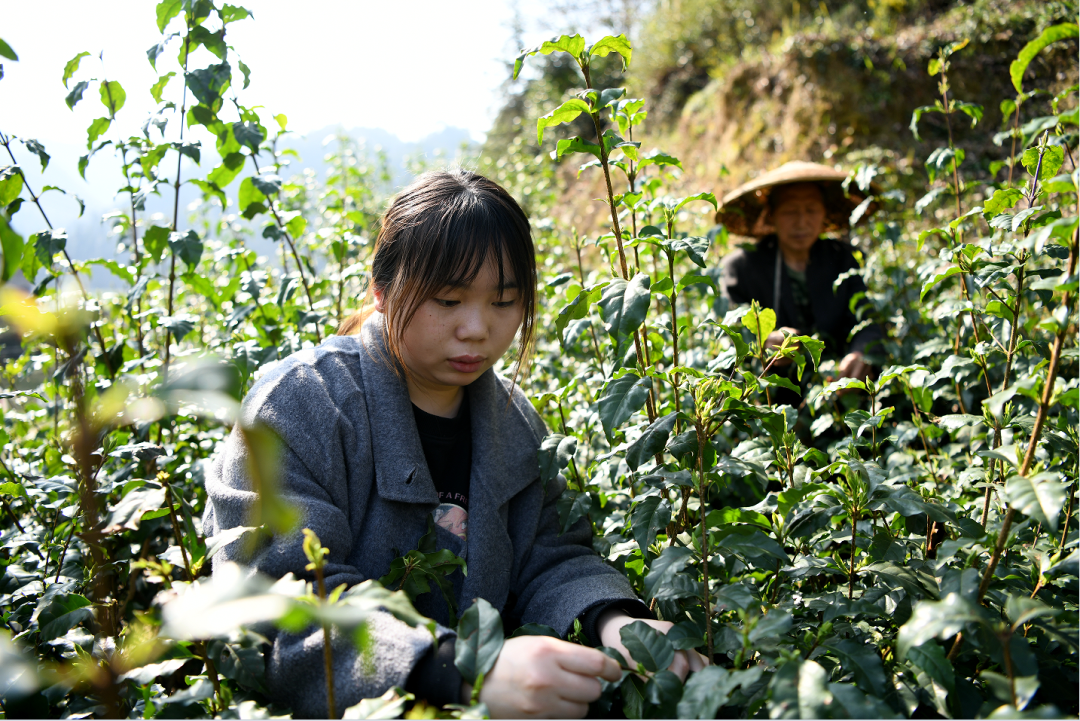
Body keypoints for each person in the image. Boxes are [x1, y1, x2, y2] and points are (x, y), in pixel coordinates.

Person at [203, 170, 705, 718]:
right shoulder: (300, 406)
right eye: (447, 299)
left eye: (504, 301)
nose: (477, 328)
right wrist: (459, 671)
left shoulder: (517, 425)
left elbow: (547, 556)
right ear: (382, 289)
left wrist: (615, 618)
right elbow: (274, 600)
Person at [716, 161, 884, 385]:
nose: (802, 222)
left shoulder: (844, 259)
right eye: (790, 211)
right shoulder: (741, 267)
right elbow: (732, 329)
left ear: (824, 212)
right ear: (771, 216)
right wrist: (764, 341)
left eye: (811, 210)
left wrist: (860, 353)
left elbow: (868, 319)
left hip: (838, 384)